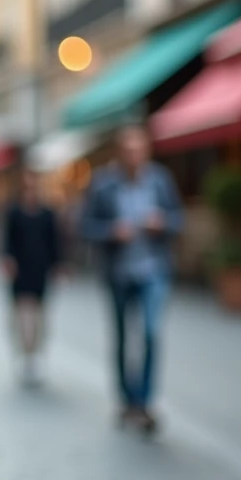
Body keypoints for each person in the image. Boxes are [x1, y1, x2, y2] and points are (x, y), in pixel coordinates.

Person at [80, 125, 184, 432]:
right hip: (119, 272)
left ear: (147, 152)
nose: (133, 156)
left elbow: (179, 218)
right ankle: (127, 400)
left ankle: (145, 401)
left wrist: (163, 223)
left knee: (151, 332)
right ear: (119, 153)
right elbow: (85, 225)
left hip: (154, 269)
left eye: (139, 150)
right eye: (128, 150)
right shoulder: (103, 184)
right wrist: (111, 231)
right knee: (124, 336)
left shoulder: (160, 180)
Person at [2, 169, 64, 387]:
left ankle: (35, 353)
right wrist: (7, 260)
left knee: (39, 314)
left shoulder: (47, 213)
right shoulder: (14, 212)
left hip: (40, 268)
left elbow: (54, 241)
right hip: (20, 269)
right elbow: (8, 241)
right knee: (22, 314)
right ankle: (26, 352)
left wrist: (58, 265)